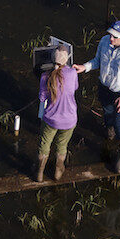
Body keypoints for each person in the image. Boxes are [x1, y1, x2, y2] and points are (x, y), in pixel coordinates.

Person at [77, 21, 120, 174]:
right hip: (104, 89)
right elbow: (97, 61)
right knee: (107, 113)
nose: (111, 39)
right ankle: (109, 130)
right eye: (110, 35)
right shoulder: (105, 42)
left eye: (115, 37)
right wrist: (84, 67)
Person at [36, 46, 78, 181]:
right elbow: (74, 88)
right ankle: (58, 171)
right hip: (70, 120)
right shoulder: (72, 73)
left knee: (44, 144)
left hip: (50, 119)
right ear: (67, 60)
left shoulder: (45, 76)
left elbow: (42, 98)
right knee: (61, 145)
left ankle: (40, 173)